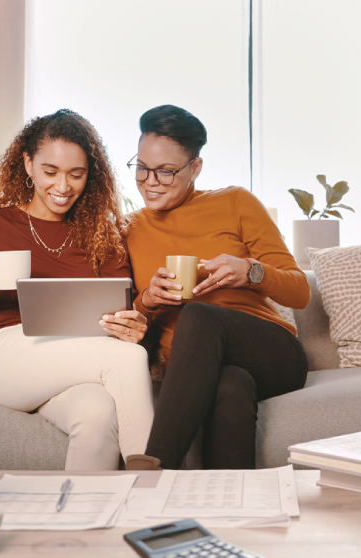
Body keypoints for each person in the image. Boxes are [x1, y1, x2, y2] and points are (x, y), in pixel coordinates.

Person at [0, 109, 154, 471]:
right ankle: (154, 485)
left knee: (97, 414)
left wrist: (132, 326)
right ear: (27, 164)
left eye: (76, 174)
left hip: (71, 364)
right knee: (127, 360)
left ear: (91, 174)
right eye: (50, 171)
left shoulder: (104, 237)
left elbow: (121, 316)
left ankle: (85, 520)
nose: (63, 186)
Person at [124, 104, 310, 470]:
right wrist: (148, 300)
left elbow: (300, 293)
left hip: (271, 351)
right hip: (199, 369)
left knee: (199, 313)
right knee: (231, 386)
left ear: (195, 168)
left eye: (165, 171)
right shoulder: (127, 228)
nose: (150, 181)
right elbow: (125, 314)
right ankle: (231, 508)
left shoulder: (234, 202)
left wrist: (251, 272)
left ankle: (156, 466)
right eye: (142, 168)